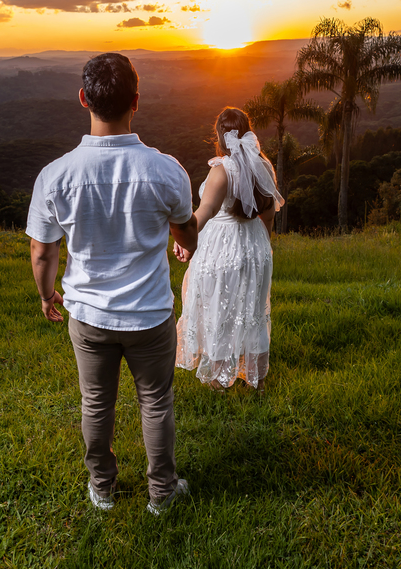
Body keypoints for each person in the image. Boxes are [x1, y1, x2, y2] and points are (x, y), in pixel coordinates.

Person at [27, 53, 198, 516]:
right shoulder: (166, 170)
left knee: (97, 404)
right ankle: (161, 492)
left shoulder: (56, 175)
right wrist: (182, 239)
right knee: (156, 402)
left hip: (88, 315)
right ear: (136, 102)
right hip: (150, 313)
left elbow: (43, 251)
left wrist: (47, 296)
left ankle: (102, 489)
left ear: (84, 98)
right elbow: (186, 233)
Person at [174, 107, 283, 391]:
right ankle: (254, 378)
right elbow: (269, 214)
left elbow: (205, 211)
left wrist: (184, 237)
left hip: (222, 247)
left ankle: (221, 382)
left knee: (219, 311)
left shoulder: (221, 171)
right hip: (255, 244)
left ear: (220, 137)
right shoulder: (264, 166)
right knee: (251, 310)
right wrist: (261, 249)